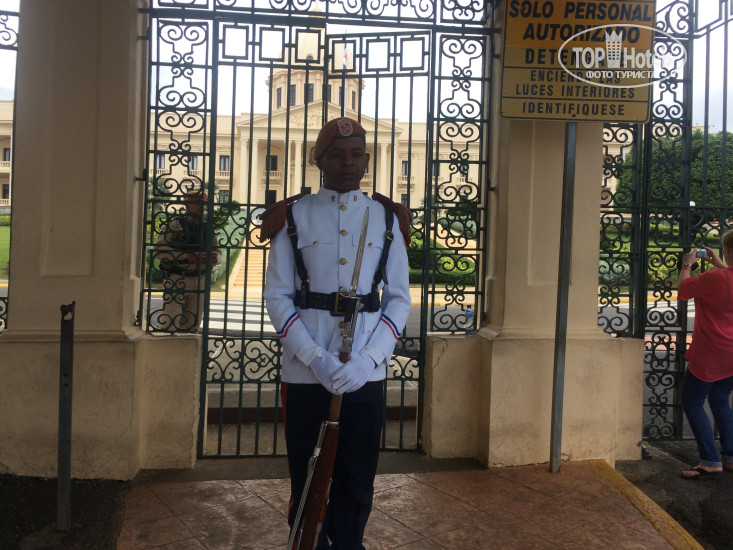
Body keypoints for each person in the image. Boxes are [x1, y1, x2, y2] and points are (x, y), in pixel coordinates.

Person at [260, 117, 412, 548]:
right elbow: (278, 297)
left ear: (367, 160)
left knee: (357, 477)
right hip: (306, 372)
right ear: (319, 161)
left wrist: (369, 359)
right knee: (308, 476)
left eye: (356, 154)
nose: (348, 163)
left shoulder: (386, 218)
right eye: (336, 155)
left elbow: (398, 299)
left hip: (365, 372)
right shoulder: (293, 216)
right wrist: (315, 358)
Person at [677, 230, 733, 479]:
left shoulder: (713, 279)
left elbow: (683, 289)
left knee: (692, 401)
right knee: (720, 400)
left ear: (727, 250)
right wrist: (722, 265)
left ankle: (710, 460)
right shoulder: (721, 275)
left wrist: (687, 265)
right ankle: (730, 456)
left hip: (710, 352)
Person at [155, 191, 221, 332]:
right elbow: (159, 250)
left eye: (204, 203)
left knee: (192, 326)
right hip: (178, 277)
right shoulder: (175, 225)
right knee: (170, 324)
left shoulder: (207, 228)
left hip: (200, 279)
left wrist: (215, 258)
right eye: (198, 202)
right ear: (187, 204)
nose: (202, 207)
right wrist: (186, 256)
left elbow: (218, 252)